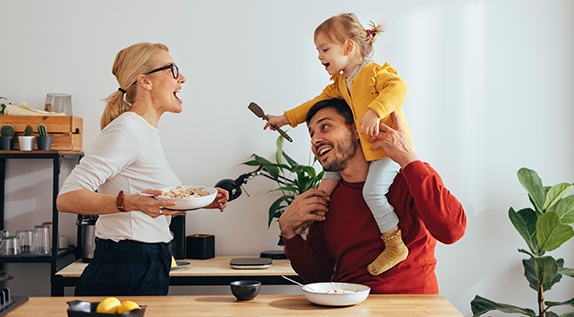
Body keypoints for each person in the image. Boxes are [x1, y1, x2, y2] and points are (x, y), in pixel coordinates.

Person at [56, 42, 229, 296]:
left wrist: (199, 202)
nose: (181, 78)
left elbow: (151, 202)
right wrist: (131, 203)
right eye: (172, 69)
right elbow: (67, 198)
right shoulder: (127, 129)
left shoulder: (146, 132)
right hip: (126, 264)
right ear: (145, 81)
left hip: (148, 260)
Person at [264, 13, 414, 276]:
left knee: (373, 193)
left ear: (348, 47)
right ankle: (307, 226)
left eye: (324, 49)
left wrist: (375, 111)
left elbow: (398, 88)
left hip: (384, 152)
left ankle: (393, 243)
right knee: (325, 189)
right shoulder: (341, 83)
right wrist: (285, 119)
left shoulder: (372, 73)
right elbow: (313, 105)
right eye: (318, 51)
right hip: (365, 152)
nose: (320, 57)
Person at [278, 98, 466, 294]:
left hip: (414, 314)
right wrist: (289, 232)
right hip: (352, 311)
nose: (315, 140)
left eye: (325, 127)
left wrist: (407, 156)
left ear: (357, 130)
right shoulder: (325, 198)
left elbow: (452, 231)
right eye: (311, 134)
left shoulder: (410, 176)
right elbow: (320, 276)